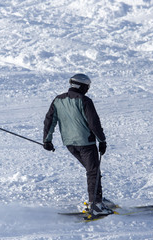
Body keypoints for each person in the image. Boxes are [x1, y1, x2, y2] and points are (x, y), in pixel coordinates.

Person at [43, 73, 113, 216]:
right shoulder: (84, 100)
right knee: (93, 172)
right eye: (87, 87)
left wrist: (47, 140)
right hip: (85, 142)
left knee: (93, 170)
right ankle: (96, 205)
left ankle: (97, 198)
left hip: (70, 143)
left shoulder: (58, 100)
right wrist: (102, 141)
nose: (88, 89)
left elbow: (49, 121)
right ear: (82, 86)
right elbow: (94, 123)